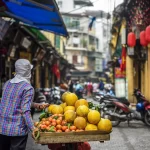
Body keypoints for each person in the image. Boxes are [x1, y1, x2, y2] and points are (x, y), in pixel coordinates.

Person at [0, 59, 46, 150]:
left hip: (2, 128)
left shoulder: (7, 84)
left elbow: (13, 101)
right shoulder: (28, 88)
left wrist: (36, 105)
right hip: (17, 131)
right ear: (28, 72)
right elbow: (25, 111)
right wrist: (33, 128)